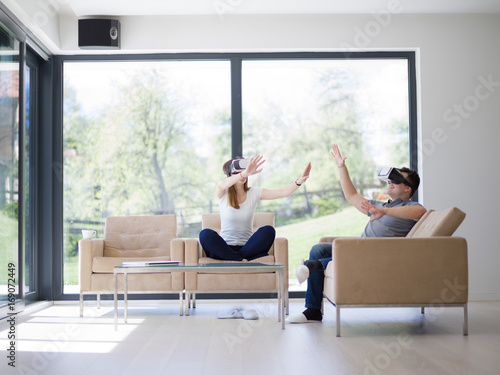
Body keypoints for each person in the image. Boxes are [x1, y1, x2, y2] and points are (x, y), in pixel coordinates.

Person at [286, 144, 426, 323]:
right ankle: (313, 310)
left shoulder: (412, 207)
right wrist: (341, 167)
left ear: (407, 188)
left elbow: (419, 214)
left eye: (396, 180)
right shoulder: (379, 205)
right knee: (319, 248)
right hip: (359, 248)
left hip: (379, 254)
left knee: (343, 253)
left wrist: (384, 212)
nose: (390, 182)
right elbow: (351, 195)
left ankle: (312, 266)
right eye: (390, 179)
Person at [199, 155, 312, 261]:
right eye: (238, 172)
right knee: (205, 234)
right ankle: (239, 259)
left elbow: (282, 192)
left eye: (244, 171)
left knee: (269, 230)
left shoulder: (254, 193)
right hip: (224, 246)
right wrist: (244, 173)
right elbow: (221, 185)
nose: (242, 174)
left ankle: (235, 258)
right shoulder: (223, 193)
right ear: (229, 175)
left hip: (249, 248)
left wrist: (300, 180)